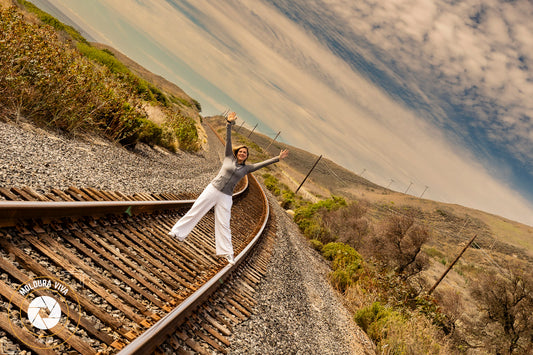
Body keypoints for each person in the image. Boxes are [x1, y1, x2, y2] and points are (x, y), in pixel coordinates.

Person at [169, 112, 289, 264]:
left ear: (246, 156)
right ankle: (177, 233)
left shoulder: (247, 169)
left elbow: (262, 164)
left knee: (224, 223)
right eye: (241, 151)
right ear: (237, 152)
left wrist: (277, 158)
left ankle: (227, 253)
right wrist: (229, 123)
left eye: (245, 153)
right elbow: (228, 139)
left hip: (226, 196)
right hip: (213, 189)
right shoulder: (228, 157)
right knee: (196, 209)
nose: (242, 153)